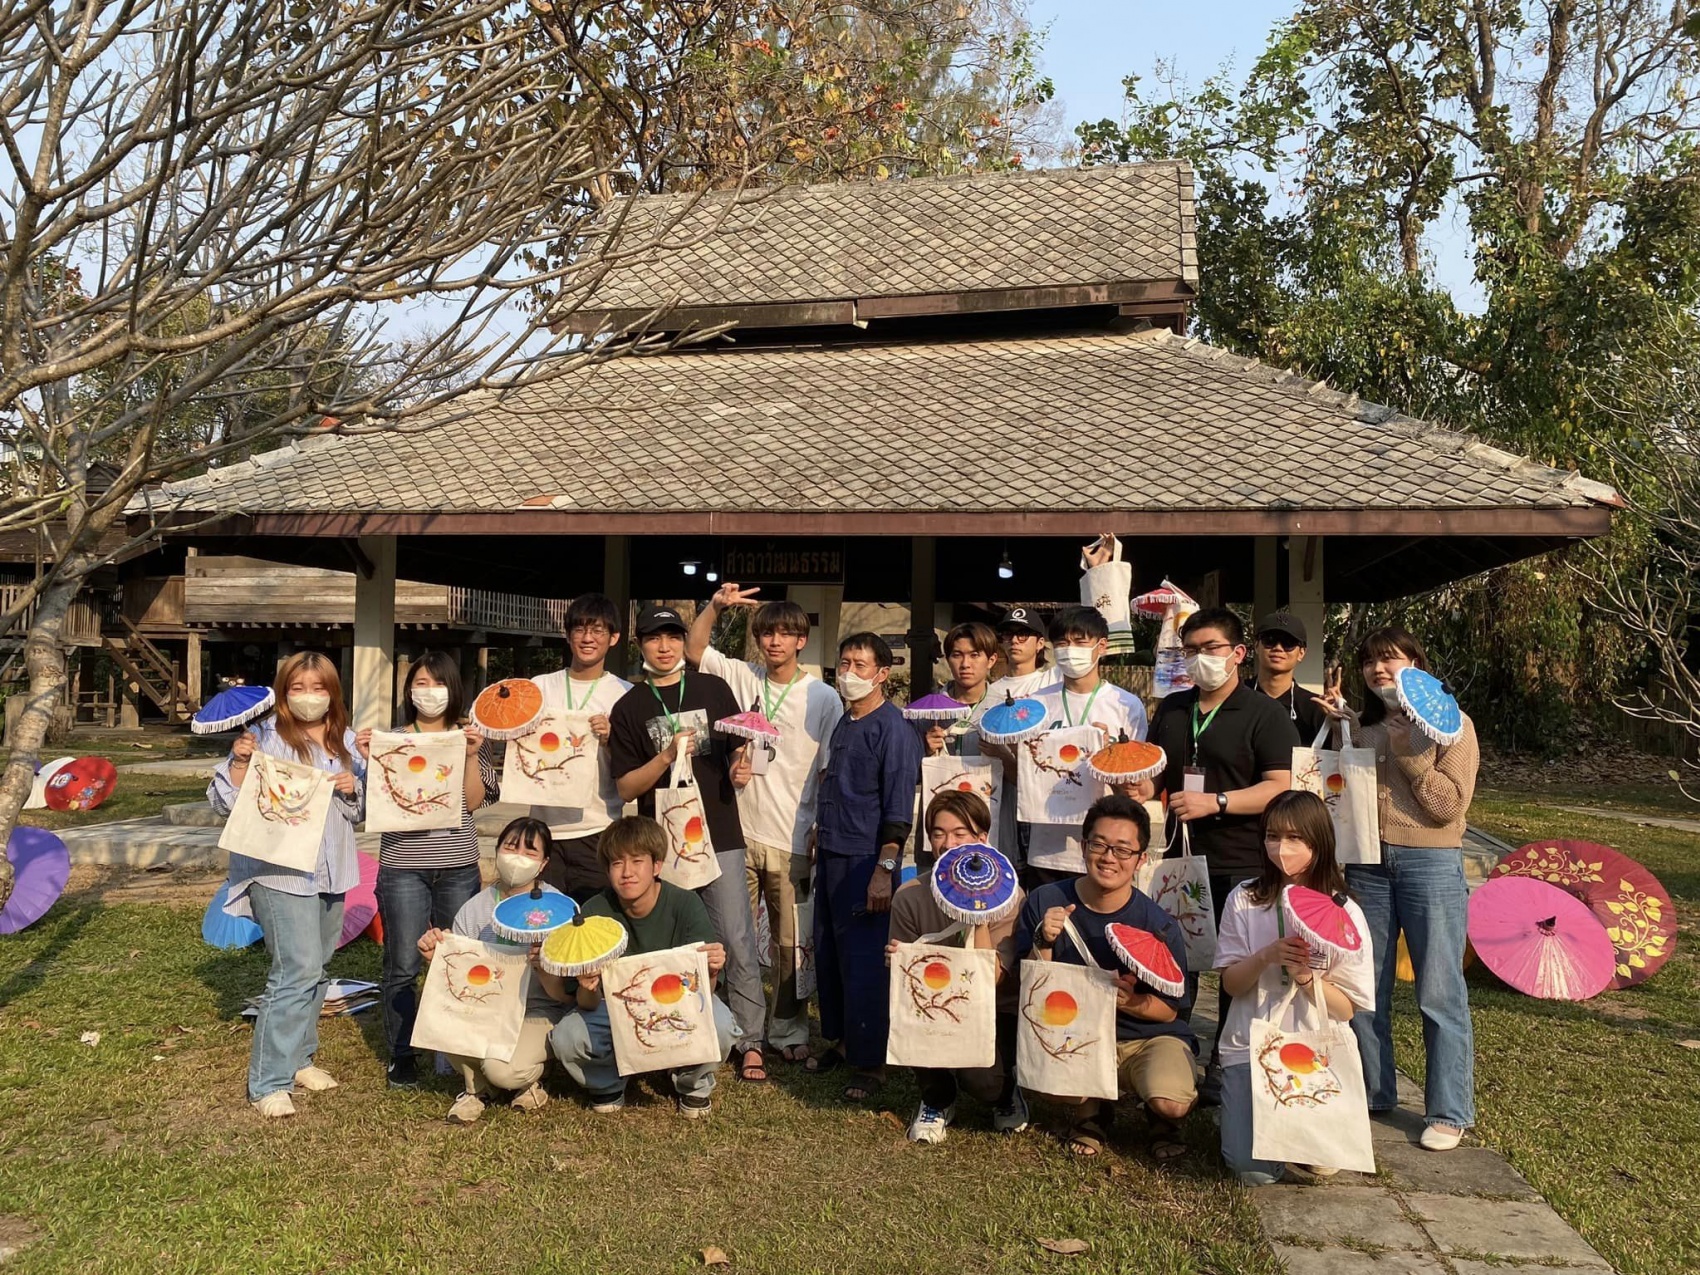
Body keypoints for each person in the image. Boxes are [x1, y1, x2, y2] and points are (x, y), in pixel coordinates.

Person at [1316, 627, 1479, 1152]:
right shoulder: (1364, 729)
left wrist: (1410, 754)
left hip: (1430, 862)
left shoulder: (1453, 727)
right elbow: (1344, 792)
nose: (1378, 669)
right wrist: (1341, 728)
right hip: (1368, 866)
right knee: (1366, 984)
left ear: (1416, 665)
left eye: (1390, 659)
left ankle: (1449, 1111)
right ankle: (1373, 1089)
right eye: (1369, 662)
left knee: (1439, 990)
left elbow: (1448, 807)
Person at [1140, 607, 1299, 1104]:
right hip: (1179, 860)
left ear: (1237, 654)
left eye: (1210, 648)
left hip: (1241, 861)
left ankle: (1225, 1067)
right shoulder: (1172, 708)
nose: (1200, 658)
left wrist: (1218, 802)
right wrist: (1128, 777)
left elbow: (1282, 786)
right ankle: (1172, 1054)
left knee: (1237, 969)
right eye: (1190, 650)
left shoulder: (1265, 714)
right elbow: (1153, 777)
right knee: (1174, 963)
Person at [607, 604, 767, 1083]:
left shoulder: (712, 689)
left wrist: (740, 765)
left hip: (719, 833)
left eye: (673, 637)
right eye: (654, 638)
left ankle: (750, 1040)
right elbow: (626, 788)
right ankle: (677, 1027)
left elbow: (736, 747)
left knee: (734, 936)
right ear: (640, 644)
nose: (665, 646)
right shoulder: (629, 707)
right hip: (661, 844)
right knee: (672, 939)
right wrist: (665, 756)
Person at [687, 584, 842, 1065]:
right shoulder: (741, 676)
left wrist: (819, 826)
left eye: (785, 634)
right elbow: (694, 650)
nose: (775, 641)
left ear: (801, 640)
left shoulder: (823, 697)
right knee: (731, 936)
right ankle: (738, 1027)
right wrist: (714, 607)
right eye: (767, 633)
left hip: (792, 833)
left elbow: (828, 770)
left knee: (791, 942)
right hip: (736, 832)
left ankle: (788, 1027)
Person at [209, 651, 365, 1119]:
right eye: (297, 688)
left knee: (317, 966)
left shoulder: (347, 741)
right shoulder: (262, 737)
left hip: (333, 867)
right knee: (295, 969)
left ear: (333, 693)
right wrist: (240, 762)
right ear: (282, 692)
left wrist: (353, 788)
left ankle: (300, 1058)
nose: (309, 697)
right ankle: (269, 1081)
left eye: (318, 688)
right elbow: (225, 803)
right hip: (278, 870)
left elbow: (362, 812)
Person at [1016, 795, 1196, 1160]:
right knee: (1055, 1088)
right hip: (1076, 1031)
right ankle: (1091, 1113)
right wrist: (1044, 941)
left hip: (1147, 1036)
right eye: (1099, 844)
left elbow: (1170, 1011)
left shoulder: (1158, 924)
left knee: (1171, 1102)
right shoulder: (1045, 900)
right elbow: (1031, 988)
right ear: (1083, 847)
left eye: (1123, 850)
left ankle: (1161, 1119)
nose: (1109, 857)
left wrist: (1130, 1002)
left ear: (1141, 859)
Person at [1214, 791, 1375, 1184]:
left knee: (1322, 1158)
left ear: (1318, 843)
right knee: (1251, 1170)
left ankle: (1298, 1136)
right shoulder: (1245, 898)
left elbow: (1346, 1009)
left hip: (1313, 1050)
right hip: (1251, 1043)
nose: (1281, 848)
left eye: (1294, 838)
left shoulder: (1344, 911)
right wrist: (1265, 956)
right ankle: (1255, 1124)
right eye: (1273, 836)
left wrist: (1306, 977)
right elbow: (1231, 984)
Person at [356, 651, 496, 1089]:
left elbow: (475, 802)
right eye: (420, 683)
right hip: (403, 866)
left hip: (458, 865)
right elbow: (374, 803)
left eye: (437, 683)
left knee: (457, 956)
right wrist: (369, 759)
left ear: (453, 690)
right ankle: (402, 1053)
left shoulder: (467, 737)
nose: (429, 692)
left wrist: (471, 755)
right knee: (402, 962)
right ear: (408, 690)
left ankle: (450, 1046)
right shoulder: (392, 739)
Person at [548, 816, 735, 1118]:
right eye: (617, 863)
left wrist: (711, 971)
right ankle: (607, 1081)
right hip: (616, 1009)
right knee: (569, 1036)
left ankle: (691, 1082)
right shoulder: (594, 911)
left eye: (637, 861)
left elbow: (706, 990)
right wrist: (586, 987)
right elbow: (585, 1003)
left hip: (677, 1002)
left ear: (656, 866)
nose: (627, 872)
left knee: (722, 1025)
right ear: (607, 870)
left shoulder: (685, 904)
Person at [807, 631, 922, 1103]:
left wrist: (884, 869)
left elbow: (898, 810)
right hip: (833, 852)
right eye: (844, 663)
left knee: (864, 961)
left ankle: (871, 1060)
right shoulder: (846, 720)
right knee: (830, 952)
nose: (849, 673)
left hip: (866, 860)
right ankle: (841, 1039)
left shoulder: (893, 729)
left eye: (860, 665)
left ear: (882, 674)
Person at [886, 789, 1028, 1143]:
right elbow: (906, 983)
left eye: (959, 834)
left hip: (993, 1009)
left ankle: (1006, 1092)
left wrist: (979, 912)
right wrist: (899, 962)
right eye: (938, 834)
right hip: (934, 1004)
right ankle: (936, 1098)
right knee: (906, 1009)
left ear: (982, 838)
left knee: (983, 1082)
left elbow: (991, 979)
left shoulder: (1010, 897)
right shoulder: (910, 895)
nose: (947, 844)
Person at [420, 818, 574, 1124]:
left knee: (501, 1070)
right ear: (497, 849)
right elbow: (457, 978)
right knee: (441, 1019)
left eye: (530, 851)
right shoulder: (475, 908)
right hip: (486, 1008)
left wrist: (544, 969)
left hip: (538, 1009)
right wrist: (434, 958)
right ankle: (475, 1090)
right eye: (511, 846)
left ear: (543, 864)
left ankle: (530, 1079)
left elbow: (567, 994)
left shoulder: (561, 910)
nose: (518, 857)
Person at [1020, 605, 1149, 885]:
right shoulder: (1034, 705)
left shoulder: (1126, 706)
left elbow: (1136, 787)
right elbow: (1024, 776)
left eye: (1079, 641)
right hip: (1047, 849)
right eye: (1062, 643)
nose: (1070, 650)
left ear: (1101, 646)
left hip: (1104, 852)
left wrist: (1109, 758)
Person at [530, 593, 633, 902]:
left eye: (598, 630)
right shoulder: (538, 687)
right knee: (544, 920)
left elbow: (632, 766)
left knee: (594, 920)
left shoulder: (625, 694)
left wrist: (611, 739)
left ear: (614, 638)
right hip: (545, 830)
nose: (588, 638)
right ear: (568, 635)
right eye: (579, 629)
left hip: (598, 828)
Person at [985, 607, 1052, 860]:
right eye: (1008, 634)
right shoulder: (991, 691)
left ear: (1040, 643)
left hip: (1040, 796)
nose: (1014, 640)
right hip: (1000, 796)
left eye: (1023, 634)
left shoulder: (1052, 684)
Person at [1250, 611, 1328, 743]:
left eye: (1288, 643)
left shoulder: (1315, 708)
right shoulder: (1235, 697)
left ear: (1301, 653)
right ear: (1257, 646)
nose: (1278, 648)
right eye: (1270, 640)